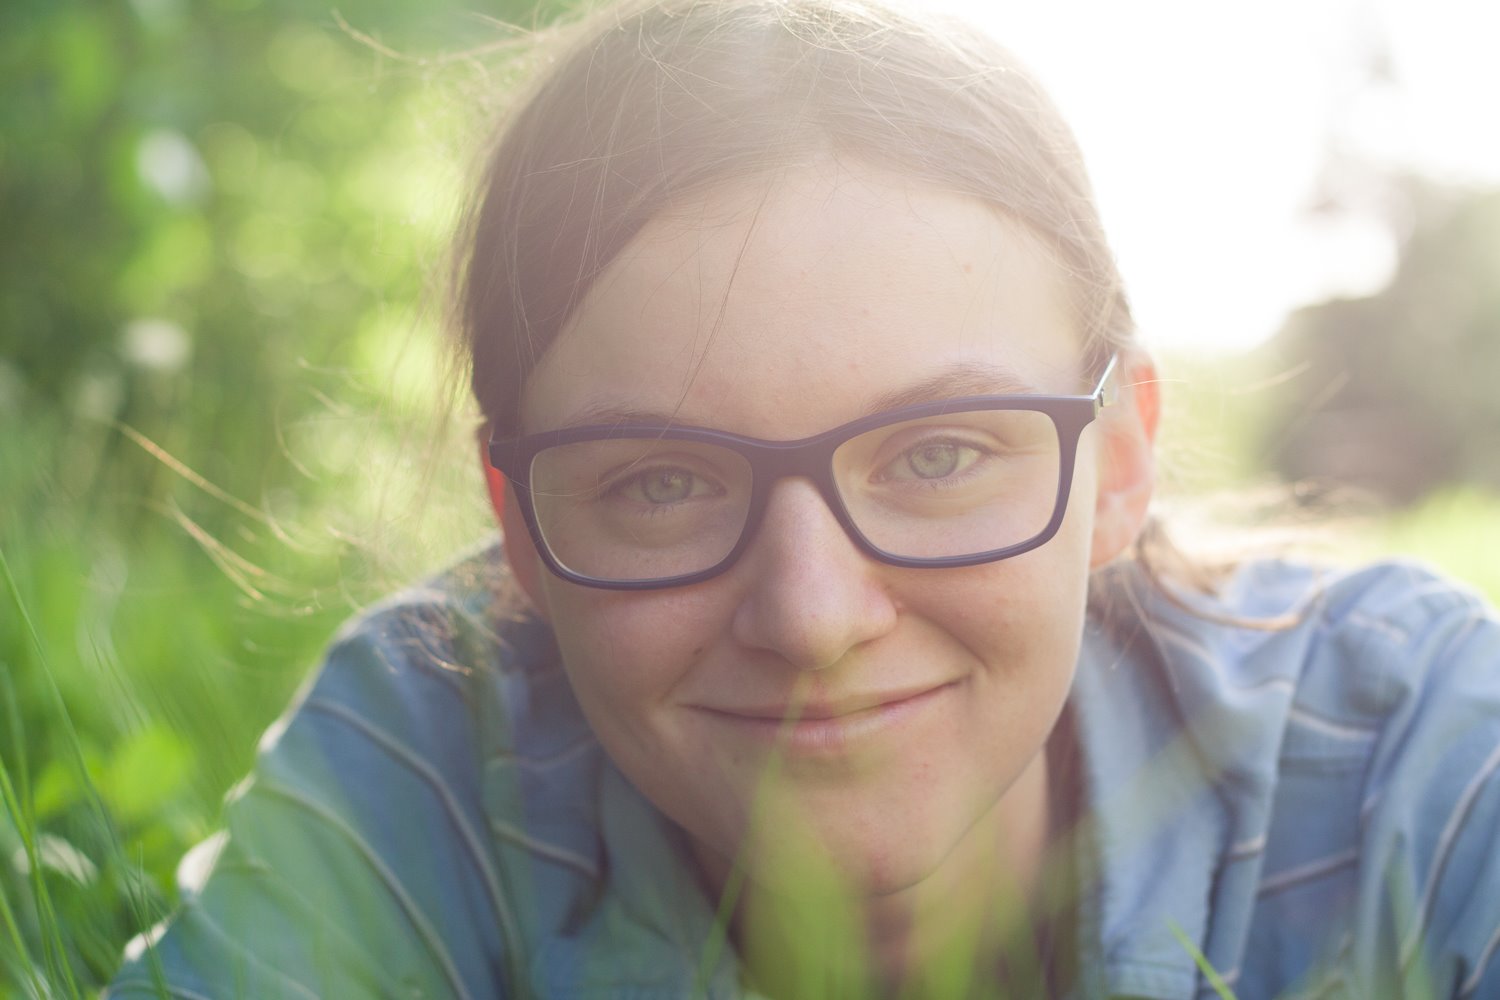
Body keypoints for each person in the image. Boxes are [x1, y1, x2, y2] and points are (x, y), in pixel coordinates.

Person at [108, 0, 1500, 996]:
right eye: (660, 482)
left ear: (1118, 460)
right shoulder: (430, 757)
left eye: (941, 454)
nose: (812, 615)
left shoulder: (1413, 764)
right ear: (517, 531)